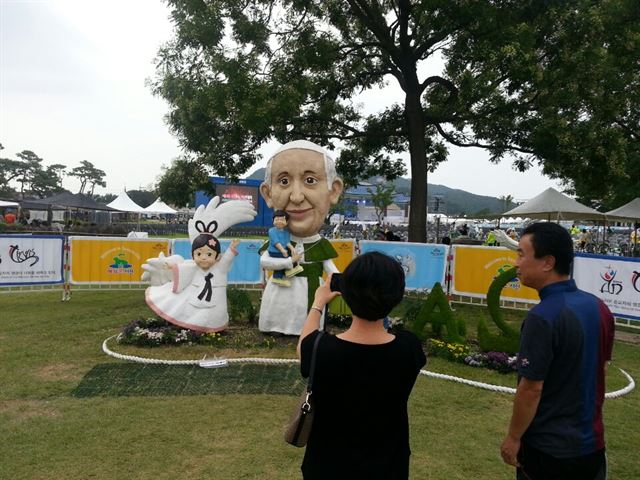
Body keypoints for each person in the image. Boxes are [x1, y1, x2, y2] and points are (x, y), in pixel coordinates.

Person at [500, 222, 615, 480]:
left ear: (547, 262)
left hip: (548, 452)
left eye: (521, 254)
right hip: (593, 447)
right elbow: (602, 371)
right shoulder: (599, 307)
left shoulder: (543, 317)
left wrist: (513, 437)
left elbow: (531, 388)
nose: (516, 263)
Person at [297, 251, 426, 479]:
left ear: (345, 293)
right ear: (397, 295)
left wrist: (318, 303)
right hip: (388, 465)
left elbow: (303, 346)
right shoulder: (409, 347)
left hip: (327, 466)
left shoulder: (321, 349)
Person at [258, 140, 344, 335]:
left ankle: (309, 328)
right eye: (284, 181)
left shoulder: (319, 245)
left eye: (310, 180)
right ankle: (274, 327)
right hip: (279, 288)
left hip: (312, 291)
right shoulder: (275, 238)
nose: (296, 197)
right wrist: (287, 262)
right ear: (268, 194)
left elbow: (331, 269)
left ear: (334, 190)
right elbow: (265, 260)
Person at [145, 234, 241, 332]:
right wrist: (172, 266)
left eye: (209, 254)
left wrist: (231, 248)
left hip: (216, 300)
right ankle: (193, 326)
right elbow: (183, 267)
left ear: (217, 257)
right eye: (199, 254)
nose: (203, 258)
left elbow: (227, 259)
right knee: (191, 310)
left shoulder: (220, 269)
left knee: (215, 315)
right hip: (196, 297)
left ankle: (212, 327)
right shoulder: (193, 267)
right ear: (192, 256)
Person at [267, 210, 303, 287]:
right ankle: (277, 277)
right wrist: (282, 250)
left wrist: (292, 248)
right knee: (284, 260)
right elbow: (276, 242)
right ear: (273, 221)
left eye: (282, 219)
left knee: (291, 254)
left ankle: (289, 270)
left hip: (282, 250)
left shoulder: (286, 232)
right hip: (274, 251)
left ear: (286, 222)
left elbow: (287, 242)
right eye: (277, 219)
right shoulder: (272, 231)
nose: (279, 221)